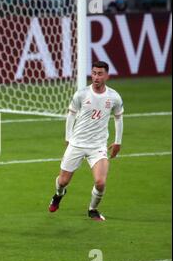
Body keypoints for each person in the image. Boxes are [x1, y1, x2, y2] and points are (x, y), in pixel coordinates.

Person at [48, 61, 124, 221]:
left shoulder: (114, 97)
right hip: (77, 143)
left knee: (100, 182)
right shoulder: (81, 94)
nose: (96, 77)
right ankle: (58, 196)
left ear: (107, 75)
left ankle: (93, 209)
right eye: (94, 73)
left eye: (100, 73)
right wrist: (68, 138)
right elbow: (71, 114)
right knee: (62, 182)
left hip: (98, 146)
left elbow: (118, 118)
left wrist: (118, 142)